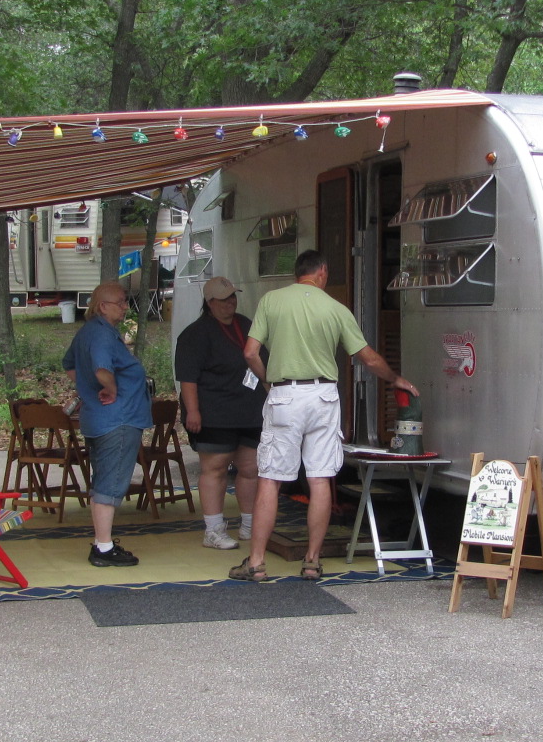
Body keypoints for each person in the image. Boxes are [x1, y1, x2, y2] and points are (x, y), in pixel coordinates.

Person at [233, 249, 418, 582]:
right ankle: (312, 561)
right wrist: (395, 378)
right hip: (323, 396)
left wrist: (267, 380)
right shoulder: (336, 308)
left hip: (285, 394)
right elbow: (368, 358)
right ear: (322, 273)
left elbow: (250, 352)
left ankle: (256, 563)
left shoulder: (272, 301)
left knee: (271, 479)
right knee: (319, 479)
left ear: (297, 273)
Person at [61, 282, 152, 566]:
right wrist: (109, 389)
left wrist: (88, 389)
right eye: (120, 302)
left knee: (104, 479)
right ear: (102, 306)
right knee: (109, 483)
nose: (125, 307)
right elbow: (102, 369)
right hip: (117, 420)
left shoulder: (88, 332)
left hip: (99, 418)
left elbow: (69, 365)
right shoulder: (101, 334)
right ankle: (103, 547)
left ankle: (103, 543)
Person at [175, 275, 264, 551]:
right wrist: (193, 411)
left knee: (250, 468)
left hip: (249, 410)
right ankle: (213, 529)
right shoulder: (195, 333)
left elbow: (262, 362)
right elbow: (187, 378)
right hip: (214, 412)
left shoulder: (246, 325)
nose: (230, 303)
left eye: (233, 297)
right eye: (224, 299)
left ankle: (250, 524)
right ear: (210, 302)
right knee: (215, 469)